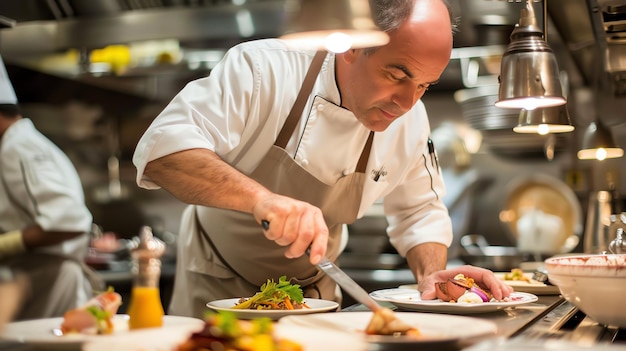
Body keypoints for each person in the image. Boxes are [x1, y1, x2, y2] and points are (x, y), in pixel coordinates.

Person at [133, 0, 513, 318]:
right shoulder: (263, 69)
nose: (406, 103)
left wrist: (433, 275)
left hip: (312, 298)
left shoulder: (410, 120)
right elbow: (162, 154)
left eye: (423, 86)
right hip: (217, 281)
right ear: (350, 45)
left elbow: (420, 213)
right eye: (397, 74)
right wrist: (261, 199)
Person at [0, 56, 99, 320]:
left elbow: (68, 221)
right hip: (38, 279)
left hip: (51, 278)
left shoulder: (19, 148)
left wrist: (7, 245)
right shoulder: (18, 145)